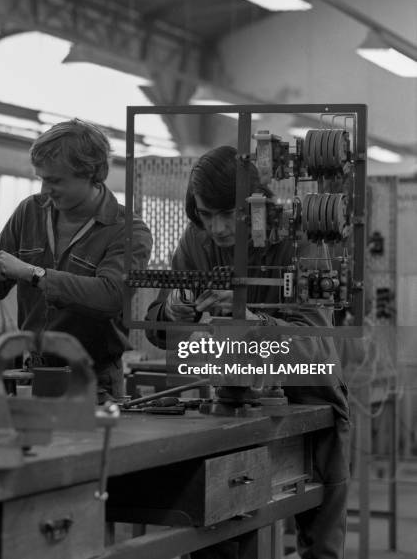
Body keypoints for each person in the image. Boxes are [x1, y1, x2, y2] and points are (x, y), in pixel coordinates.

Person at [146, 146, 350, 559]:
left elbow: (315, 346)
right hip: (230, 399)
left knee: (322, 539)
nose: (217, 228)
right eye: (206, 214)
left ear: (257, 206)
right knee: (214, 528)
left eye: (228, 214)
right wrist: (173, 310)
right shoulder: (197, 240)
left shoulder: (300, 239)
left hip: (306, 397)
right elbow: (160, 332)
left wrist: (251, 318)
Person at [0, 118, 152, 403]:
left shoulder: (127, 231)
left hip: (92, 380)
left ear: (91, 173)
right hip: (35, 372)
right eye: (41, 178)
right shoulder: (30, 212)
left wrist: (33, 274)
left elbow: (110, 296)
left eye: (55, 180)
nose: (44, 190)